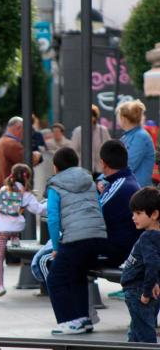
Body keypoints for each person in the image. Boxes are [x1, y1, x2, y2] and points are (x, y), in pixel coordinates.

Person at [46, 147, 107, 335]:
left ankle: (68, 321)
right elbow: (99, 206)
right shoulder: (89, 180)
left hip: (76, 239)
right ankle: (83, 319)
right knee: (77, 274)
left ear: (55, 167)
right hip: (98, 237)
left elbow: (53, 219)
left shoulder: (55, 185)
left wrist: (56, 247)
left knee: (54, 278)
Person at [0, 163, 47, 302]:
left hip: (2, 228)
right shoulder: (26, 194)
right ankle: (15, 240)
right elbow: (38, 209)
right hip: (17, 227)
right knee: (15, 226)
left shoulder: (4, 189)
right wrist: (50, 203)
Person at [120, 187, 160, 343]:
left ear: (154, 214)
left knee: (144, 334)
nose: (133, 217)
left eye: (138, 213)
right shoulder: (155, 236)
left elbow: (153, 264)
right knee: (136, 331)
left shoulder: (148, 237)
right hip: (145, 287)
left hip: (138, 291)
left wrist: (146, 292)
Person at [98, 140, 141, 267]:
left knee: (60, 259)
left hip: (118, 252)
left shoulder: (119, 186)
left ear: (103, 163)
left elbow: (92, 215)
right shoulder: (126, 181)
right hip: (123, 248)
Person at [0, 116, 41, 193]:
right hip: (12, 193)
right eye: (24, 130)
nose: (24, 134)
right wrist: (37, 155)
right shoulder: (11, 144)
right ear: (18, 128)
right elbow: (28, 159)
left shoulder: (1, 142)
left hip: (4, 191)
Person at [117, 99, 155, 187]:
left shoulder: (140, 137)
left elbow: (128, 164)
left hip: (138, 192)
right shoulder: (127, 137)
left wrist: (104, 179)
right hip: (131, 188)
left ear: (123, 118)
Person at [71, 104, 111, 178]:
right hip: (82, 170)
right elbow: (73, 151)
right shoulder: (78, 131)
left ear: (96, 117)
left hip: (100, 169)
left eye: (92, 115)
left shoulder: (103, 130)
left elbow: (109, 148)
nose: (90, 118)